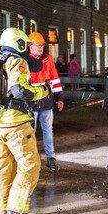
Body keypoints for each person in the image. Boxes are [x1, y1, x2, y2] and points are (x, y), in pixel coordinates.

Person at [0, 27, 49, 214]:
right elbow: (19, 90)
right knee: (30, 165)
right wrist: (41, 92)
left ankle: (1, 209)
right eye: (25, 44)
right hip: (14, 123)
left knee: (4, 167)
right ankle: (16, 211)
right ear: (18, 44)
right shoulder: (17, 61)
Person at [28, 32, 64, 171]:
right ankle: (32, 158)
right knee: (31, 131)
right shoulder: (25, 60)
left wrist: (59, 98)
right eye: (38, 45)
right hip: (31, 101)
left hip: (46, 100)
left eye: (42, 45)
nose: (41, 48)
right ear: (30, 46)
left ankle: (51, 157)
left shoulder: (47, 59)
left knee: (48, 130)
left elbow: (54, 78)